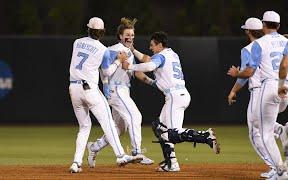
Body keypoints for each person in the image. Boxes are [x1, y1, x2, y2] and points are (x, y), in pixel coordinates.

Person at [122, 31, 220, 172]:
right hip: (178, 94)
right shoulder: (171, 54)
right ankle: (171, 164)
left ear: (160, 44)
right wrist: (133, 51)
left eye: (152, 45)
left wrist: (130, 66)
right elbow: (149, 61)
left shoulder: (161, 56)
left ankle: (206, 136)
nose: (150, 48)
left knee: (172, 134)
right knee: (160, 128)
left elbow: (150, 65)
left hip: (175, 96)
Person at [68, 17, 141, 173]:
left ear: (88, 29)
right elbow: (107, 72)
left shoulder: (76, 42)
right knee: (107, 122)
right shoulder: (103, 50)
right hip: (90, 89)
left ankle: (76, 163)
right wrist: (118, 61)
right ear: (102, 32)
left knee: (84, 126)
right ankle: (121, 155)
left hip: (73, 88)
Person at [86, 17, 154, 167]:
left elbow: (138, 71)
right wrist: (105, 87)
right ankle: (136, 153)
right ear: (120, 36)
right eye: (127, 35)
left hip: (123, 90)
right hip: (115, 90)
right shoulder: (112, 50)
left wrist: (153, 83)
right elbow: (103, 70)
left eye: (132, 35)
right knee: (135, 116)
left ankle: (94, 147)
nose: (130, 37)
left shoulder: (128, 52)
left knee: (119, 128)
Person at [227, 11, 288, 179]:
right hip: (285, 88)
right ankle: (282, 130)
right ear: (279, 25)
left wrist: (236, 74)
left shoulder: (257, 45)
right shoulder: (286, 41)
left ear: (264, 25)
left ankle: (280, 172)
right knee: (263, 124)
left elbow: (249, 72)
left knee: (262, 133)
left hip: (267, 88)